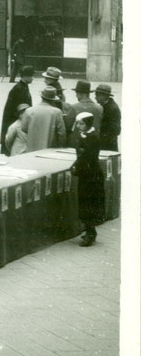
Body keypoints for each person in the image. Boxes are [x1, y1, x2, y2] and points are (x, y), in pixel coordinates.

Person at [70, 113, 105, 247]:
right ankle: (90, 231)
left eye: (81, 124)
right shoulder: (86, 135)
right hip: (87, 174)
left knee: (89, 203)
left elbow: (87, 157)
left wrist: (76, 167)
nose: (78, 126)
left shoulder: (92, 137)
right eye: (78, 123)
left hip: (91, 175)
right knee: (85, 202)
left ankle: (90, 234)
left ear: (88, 124)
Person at [0, 65, 33, 155]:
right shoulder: (19, 89)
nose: (32, 78)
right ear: (25, 76)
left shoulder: (22, 87)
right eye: (31, 76)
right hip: (16, 120)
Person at [22, 86, 67, 151]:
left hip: (31, 148)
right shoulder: (57, 112)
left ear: (42, 97)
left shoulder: (29, 111)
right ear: (53, 100)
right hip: (49, 149)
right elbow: (61, 133)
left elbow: (23, 128)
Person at [42, 66, 76, 136]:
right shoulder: (59, 89)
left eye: (46, 78)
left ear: (51, 79)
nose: (44, 80)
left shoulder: (51, 92)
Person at [69, 81, 103, 148]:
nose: (76, 95)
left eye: (77, 93)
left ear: (81, 94)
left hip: (78, 142)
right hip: (94, 141)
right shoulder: (100, 108)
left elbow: (68, 126)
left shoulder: (74, 107)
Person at [94, 84, 121, 152]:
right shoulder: (104, 106)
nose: (95, 97)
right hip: (105, 143)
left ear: (105, 96)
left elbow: (116, 130)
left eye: (97, 95)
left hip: (108, 145)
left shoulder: (113, 109)